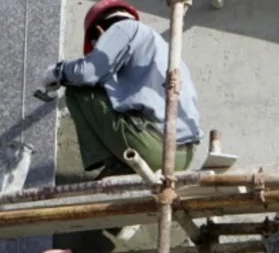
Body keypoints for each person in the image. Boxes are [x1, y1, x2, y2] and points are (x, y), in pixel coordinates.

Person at [39, 0, 203, 178]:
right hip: (183, 157)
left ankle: (115, 163)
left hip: (155, 150)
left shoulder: (124, 28)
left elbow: (88, 73)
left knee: (79, 91)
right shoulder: (161, 49)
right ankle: (123, 162)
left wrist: (57, 72)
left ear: (101, 31)